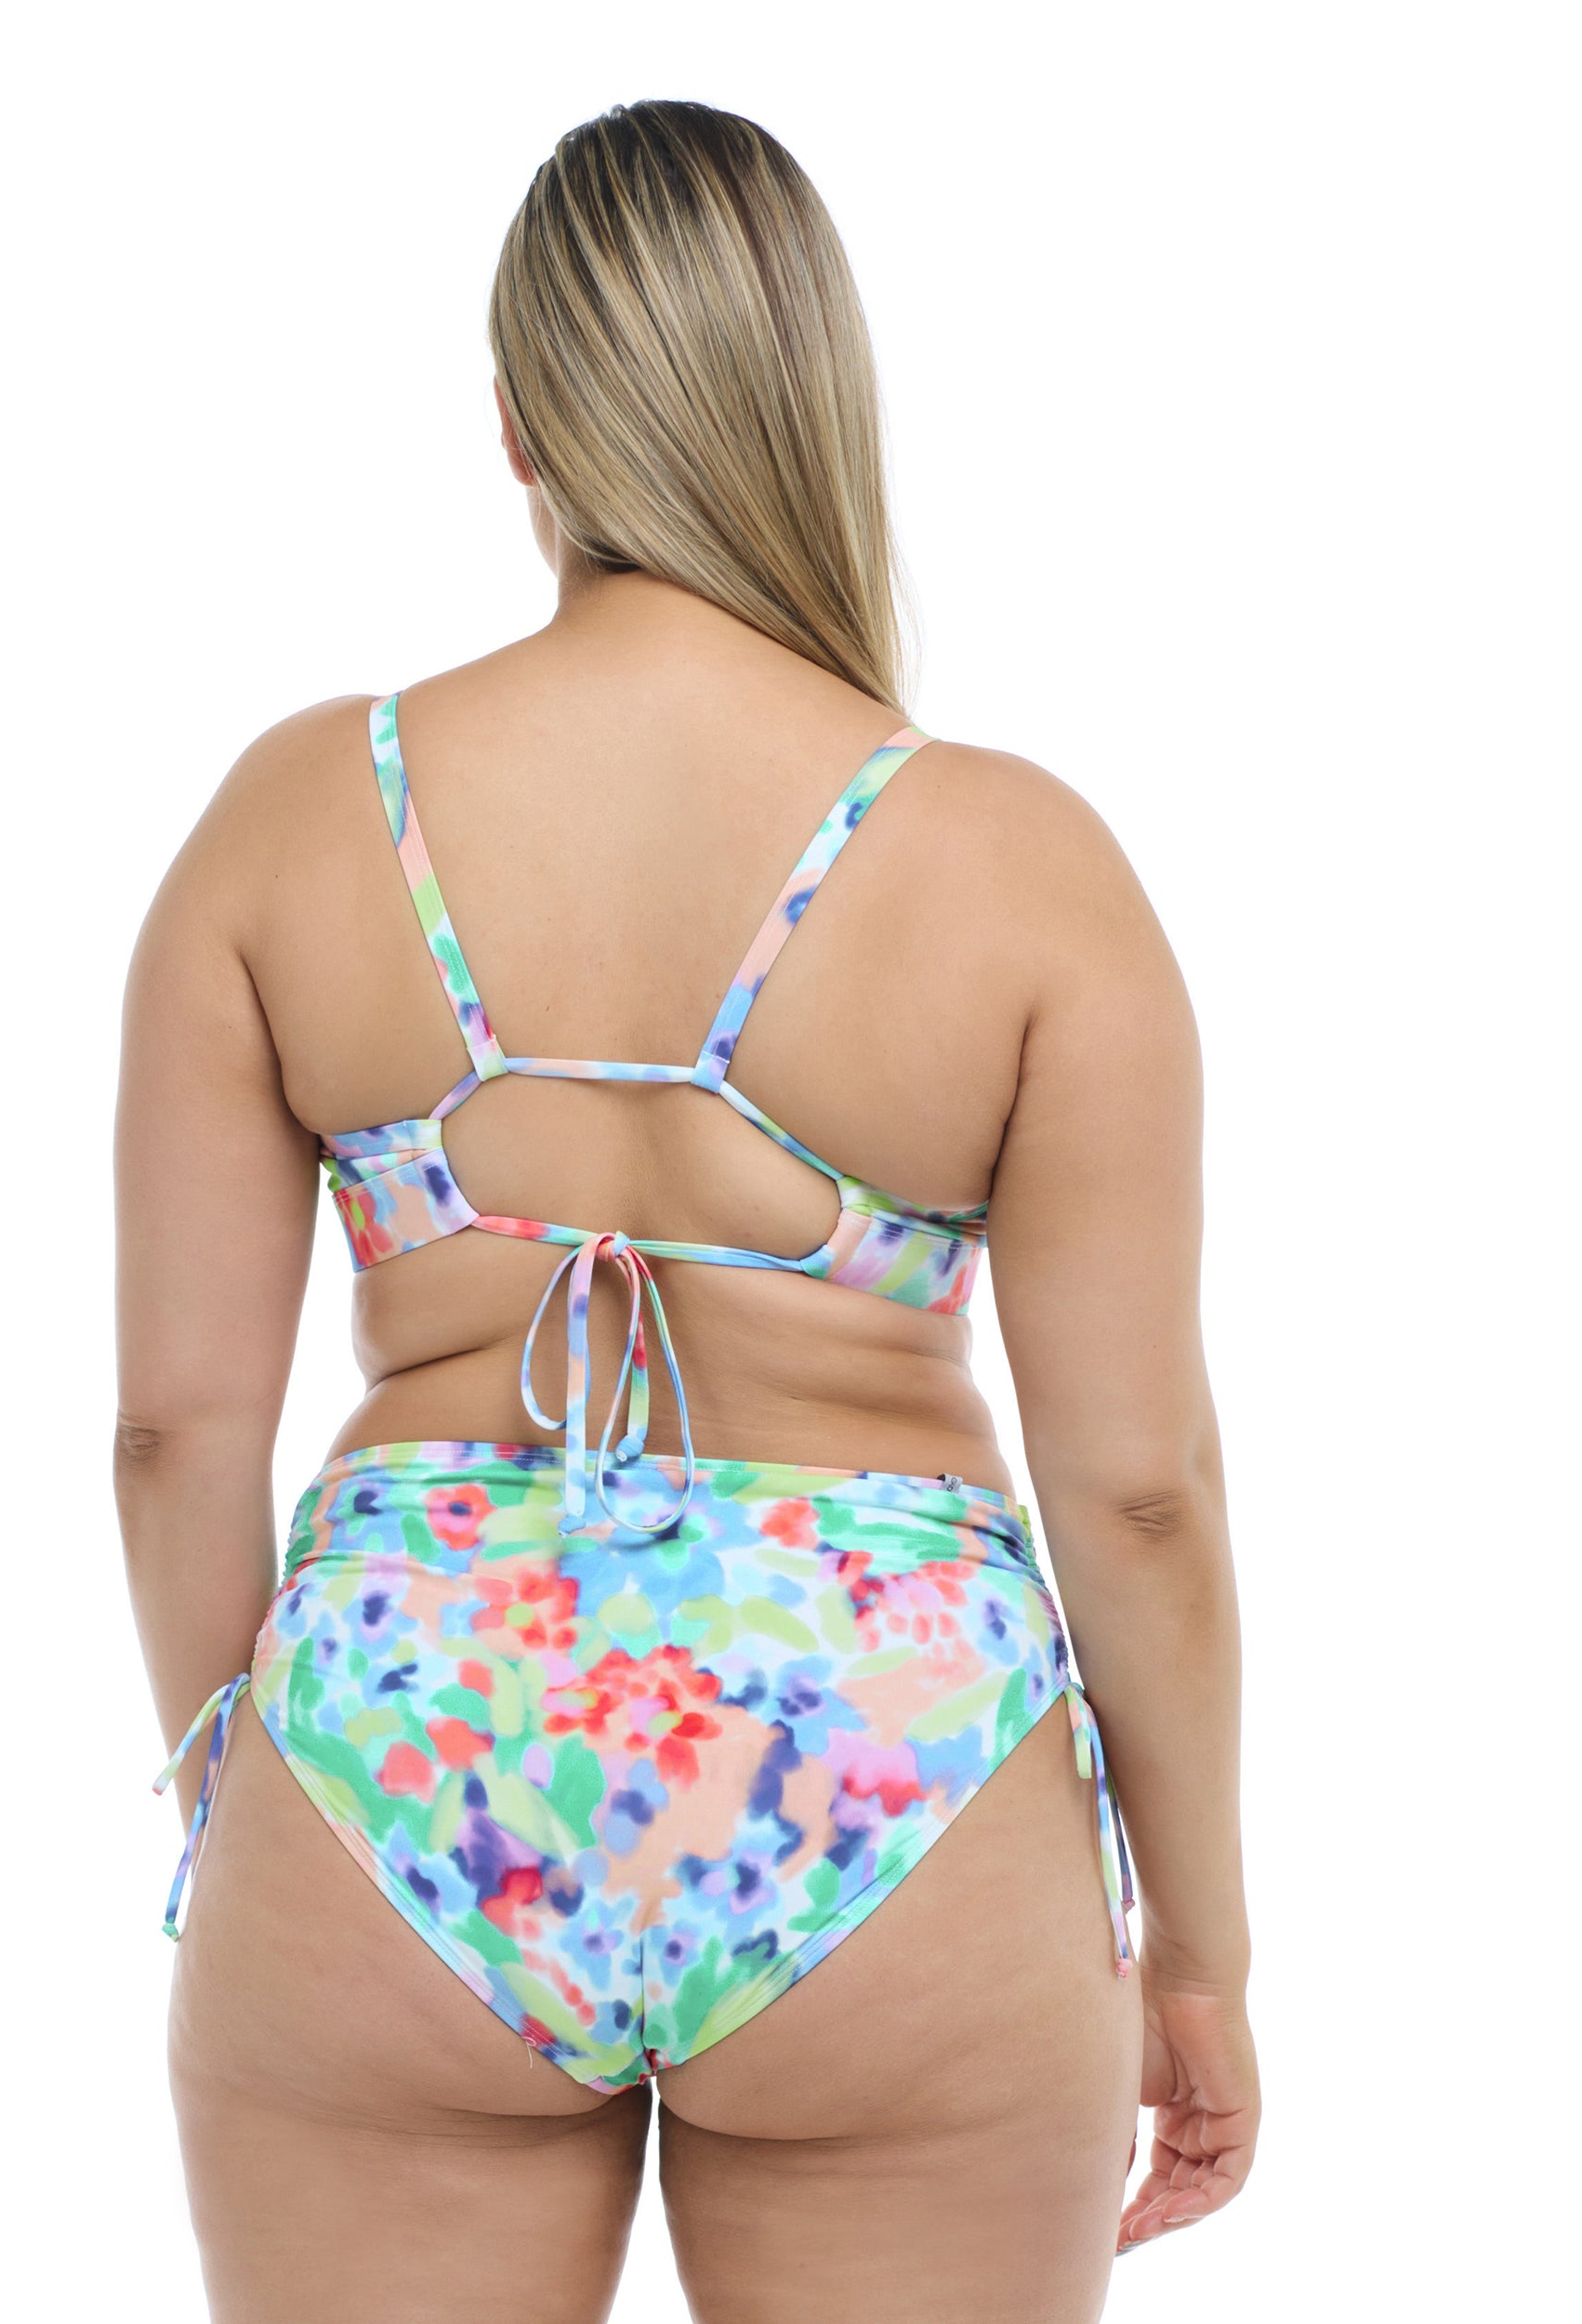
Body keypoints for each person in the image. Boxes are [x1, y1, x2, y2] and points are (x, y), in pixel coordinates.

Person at [115, 97, 1259, 2324]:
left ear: (519, 420)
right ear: (812, 400)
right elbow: (1138, 1492)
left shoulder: (298, 813)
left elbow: (171, 1429)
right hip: (886, 1749)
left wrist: (256, 1806)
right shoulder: (1019, 862)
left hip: (407, 1726)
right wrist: (1197, 1949)